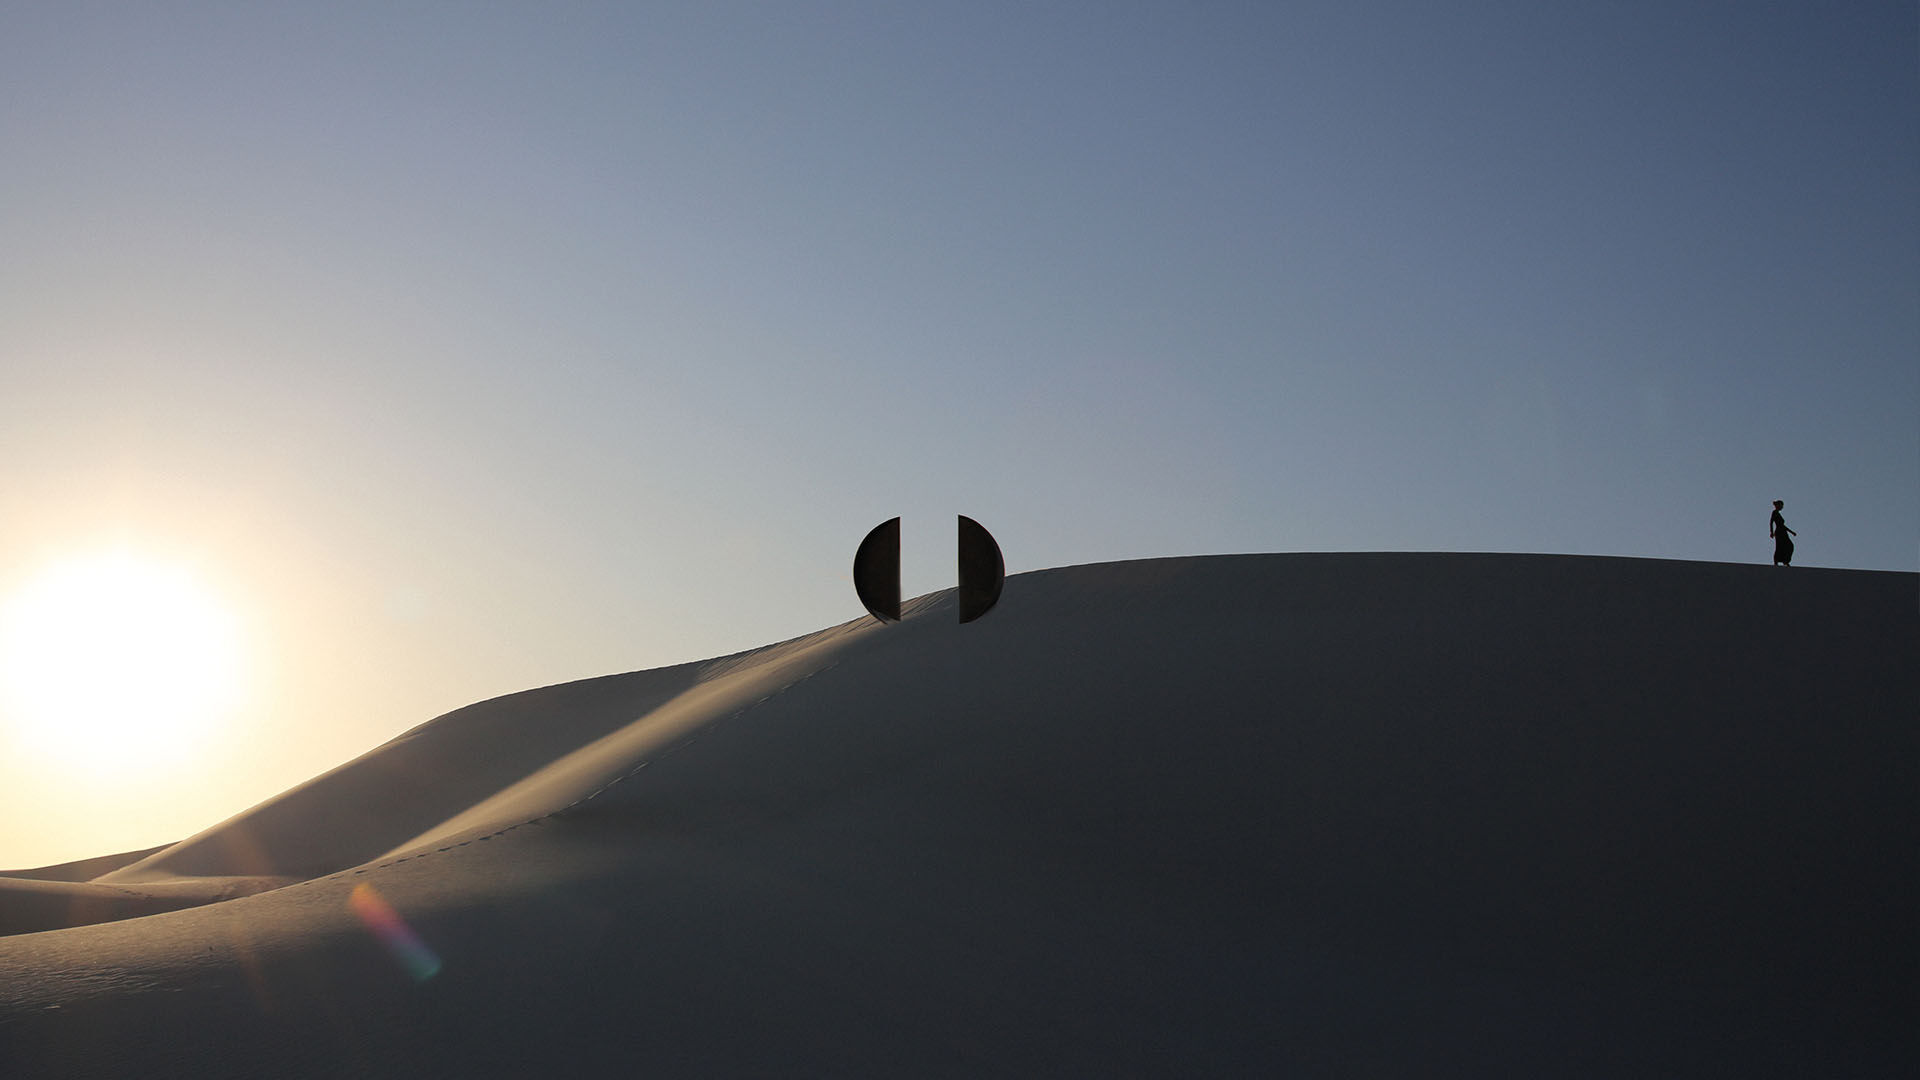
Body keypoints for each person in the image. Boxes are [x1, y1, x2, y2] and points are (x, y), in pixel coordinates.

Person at [1769, 500, 1796, 566]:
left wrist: (1791, 532)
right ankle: (1777, 561)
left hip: (1783, 532)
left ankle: (1785, 560)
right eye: (1781, 505)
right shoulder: (1774, 512)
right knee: (1779, 547)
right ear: (1777, 505)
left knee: (1789, 546)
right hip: (1779, 532)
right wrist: (1771, 532)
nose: (1782, 507)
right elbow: (1771, 522)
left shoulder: (1778, 514)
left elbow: (1782, 526)